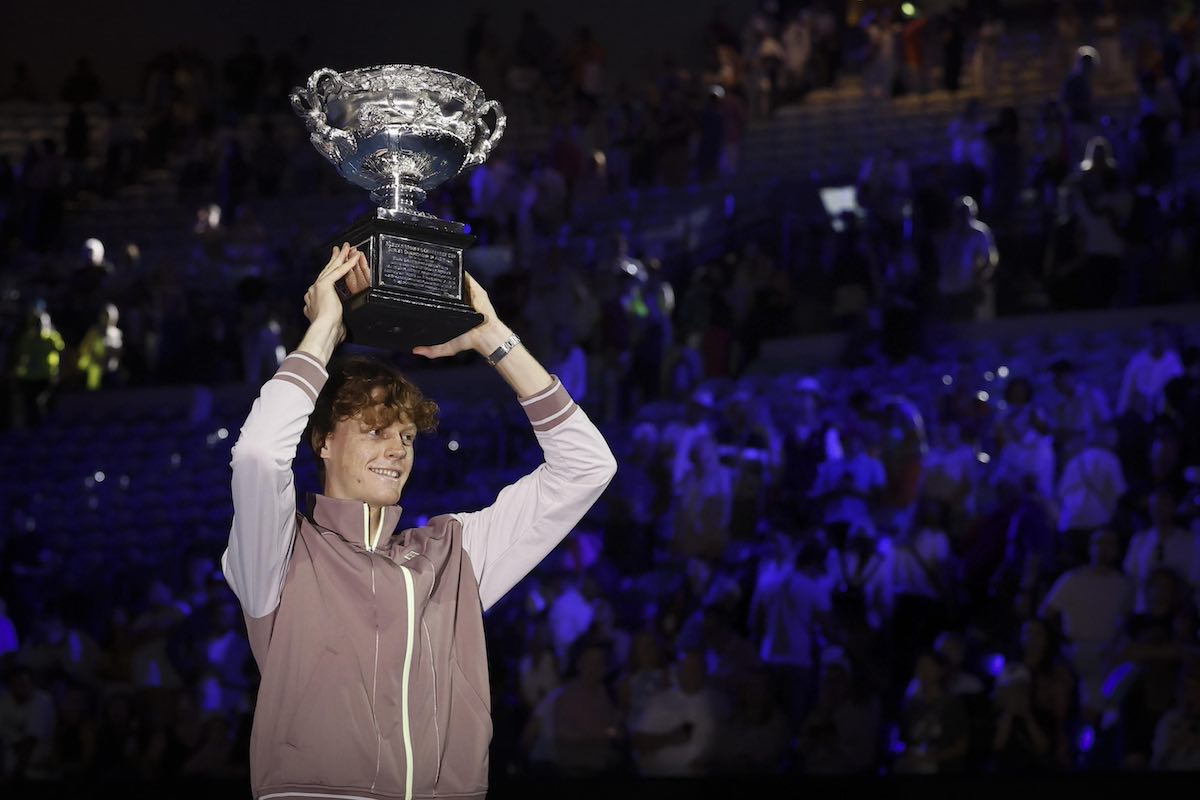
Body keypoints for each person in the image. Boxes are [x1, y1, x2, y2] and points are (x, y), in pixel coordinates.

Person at [222, 243, 617, 799]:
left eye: (406, 436)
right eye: (375, 431)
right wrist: (325, 331)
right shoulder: (282, 551)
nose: (397, 450)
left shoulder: (450, 553)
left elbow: (588, 468)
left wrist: (491, 337)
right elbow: (260, 455)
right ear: (323, 442)